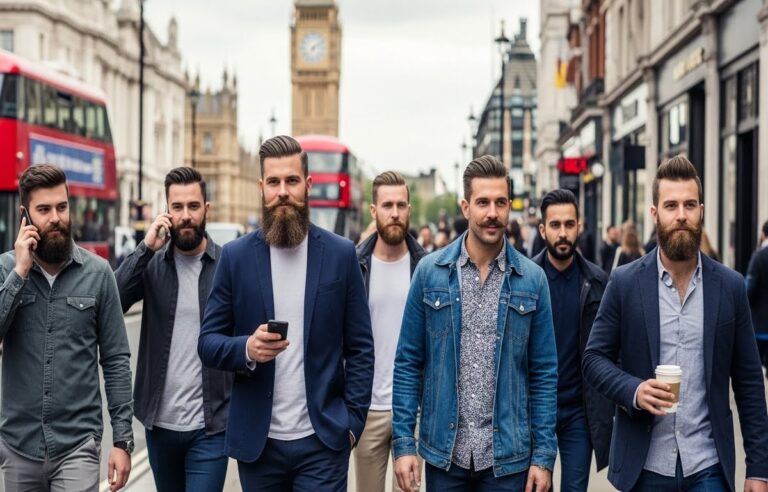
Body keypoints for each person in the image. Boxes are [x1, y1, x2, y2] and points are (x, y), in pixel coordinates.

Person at [197, 135, 374, 491]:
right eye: (274, 182)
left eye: (291, 181)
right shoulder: (235, 257)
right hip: (259, 447)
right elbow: (208, 343)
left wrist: (352, 424)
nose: (282, 192)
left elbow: (360, 349)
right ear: (261, 188)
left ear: (307, 186)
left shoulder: (341, 255)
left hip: (323, 442)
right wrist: (247, 348)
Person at [583, 155, 768, 492]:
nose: (681, 215)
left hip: (708, 465)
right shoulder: (625, 283)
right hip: (645, 466)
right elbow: (593, 359)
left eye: (689, 205)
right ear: (654, 213)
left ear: (701, 210)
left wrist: (759, 469)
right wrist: (635, 391)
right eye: (671, 205)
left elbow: (750, 384)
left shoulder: (729, 287)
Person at [392, 155, 557, 492]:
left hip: (507, 459)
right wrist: (404, 444)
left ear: (510, 206)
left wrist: (543, 456)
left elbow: (543, 373)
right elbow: (408, 362)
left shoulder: (533, 281)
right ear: (466, 207)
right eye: (483, 202)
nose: (492, 213)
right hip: (445, 454)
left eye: (500, 202)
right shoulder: (429, 273)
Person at [0, 164, 133, 492]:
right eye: (43, 210)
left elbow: (116, 360)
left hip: (77, 447)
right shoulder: (5, 269)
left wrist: (122, 440)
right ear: (25, 215)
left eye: (61, 207)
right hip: (19, 447)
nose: (55, 218)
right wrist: (19, 273)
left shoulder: (100, 274)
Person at [115, 167, 232, 491]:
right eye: (177, 207)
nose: (186, 216)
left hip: (210, 427)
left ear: (206, 209)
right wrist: (145, 248)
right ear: (167, 211)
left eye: (193, 206)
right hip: (160, 426)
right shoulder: (152, 264)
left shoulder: (227, 265)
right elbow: (114, 301)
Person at [531, 189, 613, 491]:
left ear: (579, 226)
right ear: (543, 230)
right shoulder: (525, 278)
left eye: (569, 224)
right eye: (555, 225)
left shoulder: (597, 281)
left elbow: (610, 347)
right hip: (536, 409)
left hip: (579, 411)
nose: (562, 233)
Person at [355, 171, 426, 492]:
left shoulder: (428, 267)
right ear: (374, 211)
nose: (394, 212)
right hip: (368, 409)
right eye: (387, 205)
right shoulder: (354, 265)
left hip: (414, 410)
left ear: (410, 208)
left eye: (401, 205)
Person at [746, 220, 768, 375]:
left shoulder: (759, 257)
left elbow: (749, 290)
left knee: (755, 371)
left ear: (763, 234)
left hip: (760, 326)